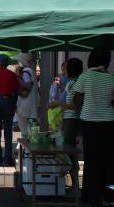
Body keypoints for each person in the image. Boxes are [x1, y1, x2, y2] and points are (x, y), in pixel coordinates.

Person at [74, 46, 114, 206]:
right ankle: (109, 195)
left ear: (91, 60)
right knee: (108, 160)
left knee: (92, 160)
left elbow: (78, 102)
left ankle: (90, 195)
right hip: (109, 123)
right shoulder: (113, 79)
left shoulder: (84, 77)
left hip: (90, 123)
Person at [48, 58, 83, 187]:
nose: (64, 71)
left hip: (73, 121)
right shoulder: (71, 83)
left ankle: (75, 185)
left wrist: (57, 104)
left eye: (66, 68)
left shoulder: (77, 83)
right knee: (68, 150)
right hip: (68, 119)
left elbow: (75, 105)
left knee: (69, 151)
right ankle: (73, 184)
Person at [17, 53, 40, 138]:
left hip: (26, 104)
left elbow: (28, 85)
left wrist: (18, 79)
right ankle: (30, 149)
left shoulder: (26, 71)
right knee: (31, 128)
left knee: (25, 129)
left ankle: (27, 150)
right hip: (31, 104)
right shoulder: (31, 71)